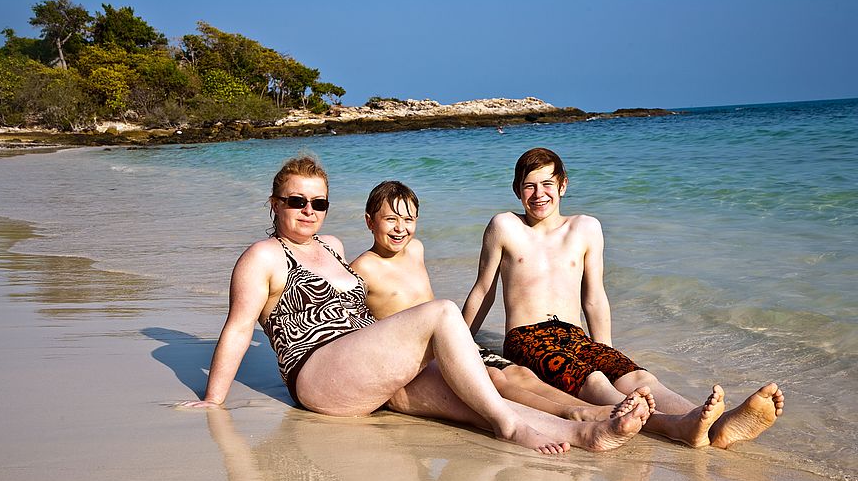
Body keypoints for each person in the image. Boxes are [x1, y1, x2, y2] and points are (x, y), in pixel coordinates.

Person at [178, 154, 652, 454]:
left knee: (473, 406)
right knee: (444, 313)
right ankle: (512, 427)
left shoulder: (335, 247)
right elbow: (239, 327)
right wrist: (212, 401)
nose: (308, 211)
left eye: (318, 203)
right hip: (320, 374)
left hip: (369, 370)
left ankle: (584, 432)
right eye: (296, 201)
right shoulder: (263, 256)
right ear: (274, 203)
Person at [461, 147, 785, 449]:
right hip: (528, 337)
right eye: (529, 186)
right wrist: (459, 344)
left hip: (576, 336)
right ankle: (676, 427)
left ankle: (716, 425)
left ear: (563, 185)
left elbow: (594, 296)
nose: (538, 194)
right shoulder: (505, 226)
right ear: (517, 190)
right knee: (596, 382)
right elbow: (483, 291)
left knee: (637, 376)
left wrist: (605, 350)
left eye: (547, 183)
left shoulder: (585, 228)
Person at [350, 179, 653, 424]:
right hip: (412, 356)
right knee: (496, 379)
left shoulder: (416, 249)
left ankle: (580, 405)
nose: (400, 228)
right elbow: (355, 326)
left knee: (520, 374)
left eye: (408, 219)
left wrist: (463, 338)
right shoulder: (362, 269)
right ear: (369, 222)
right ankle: (573, 412)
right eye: (390, 219)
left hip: (442, 344)